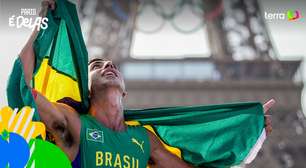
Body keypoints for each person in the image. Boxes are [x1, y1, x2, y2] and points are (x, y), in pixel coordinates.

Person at [19, 0, 274, 167]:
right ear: (86, 87)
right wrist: (42, 22)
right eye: (96, 66)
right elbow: (26, 89)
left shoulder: (144, 139)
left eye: (112, 65)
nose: (108, 65)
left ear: (125, 90)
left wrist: (245, 128)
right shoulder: (74, 124)